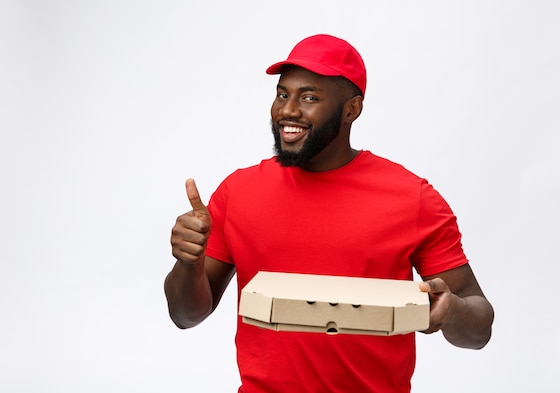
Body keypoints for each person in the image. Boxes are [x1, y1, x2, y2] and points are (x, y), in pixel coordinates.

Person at [165, 34, 494, 393]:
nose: (288, 110)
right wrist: (188, 263)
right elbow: (185, 316)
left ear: (351, 109)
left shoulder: (412, 198)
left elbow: (479, 330)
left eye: (309, 97)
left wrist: (452, 310)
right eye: (282, 94)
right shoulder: (238, 192)